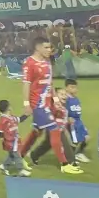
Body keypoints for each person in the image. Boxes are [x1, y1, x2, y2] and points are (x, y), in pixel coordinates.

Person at [18, 36, 81, 175]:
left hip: (48, 103)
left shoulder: (47, 62)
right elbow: (26, 85)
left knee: (36, 132)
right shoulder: (29, 63)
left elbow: (50, 84)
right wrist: (26, 104)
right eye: (46, 47)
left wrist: (56, 101)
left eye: (50, 47)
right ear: (37, 48)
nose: (49, 50)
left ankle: (19, 157)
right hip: (38, 104)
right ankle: (64, 164)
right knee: (54, 129)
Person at [0, 99, 30, 177]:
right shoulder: (2, 120)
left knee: (11, 155)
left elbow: (20, 119)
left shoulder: (11, 117)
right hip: (9, 141)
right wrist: (2, 138)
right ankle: (21, 170)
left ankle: (3, 166)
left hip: (15, 140)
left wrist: (27, 114)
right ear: (8, 108)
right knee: (17, 155)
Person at [64, 79, 88, 163]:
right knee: (74, 141)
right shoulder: (66, 99)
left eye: (75, 87)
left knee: (86, 138)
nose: (74, 89)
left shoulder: (76, 99)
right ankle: (70, 158)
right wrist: (67, 118)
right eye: (72, 87)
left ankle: (79, 154)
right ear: (66, 88)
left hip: (79, 122)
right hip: (72, 124)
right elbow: (63, 111)